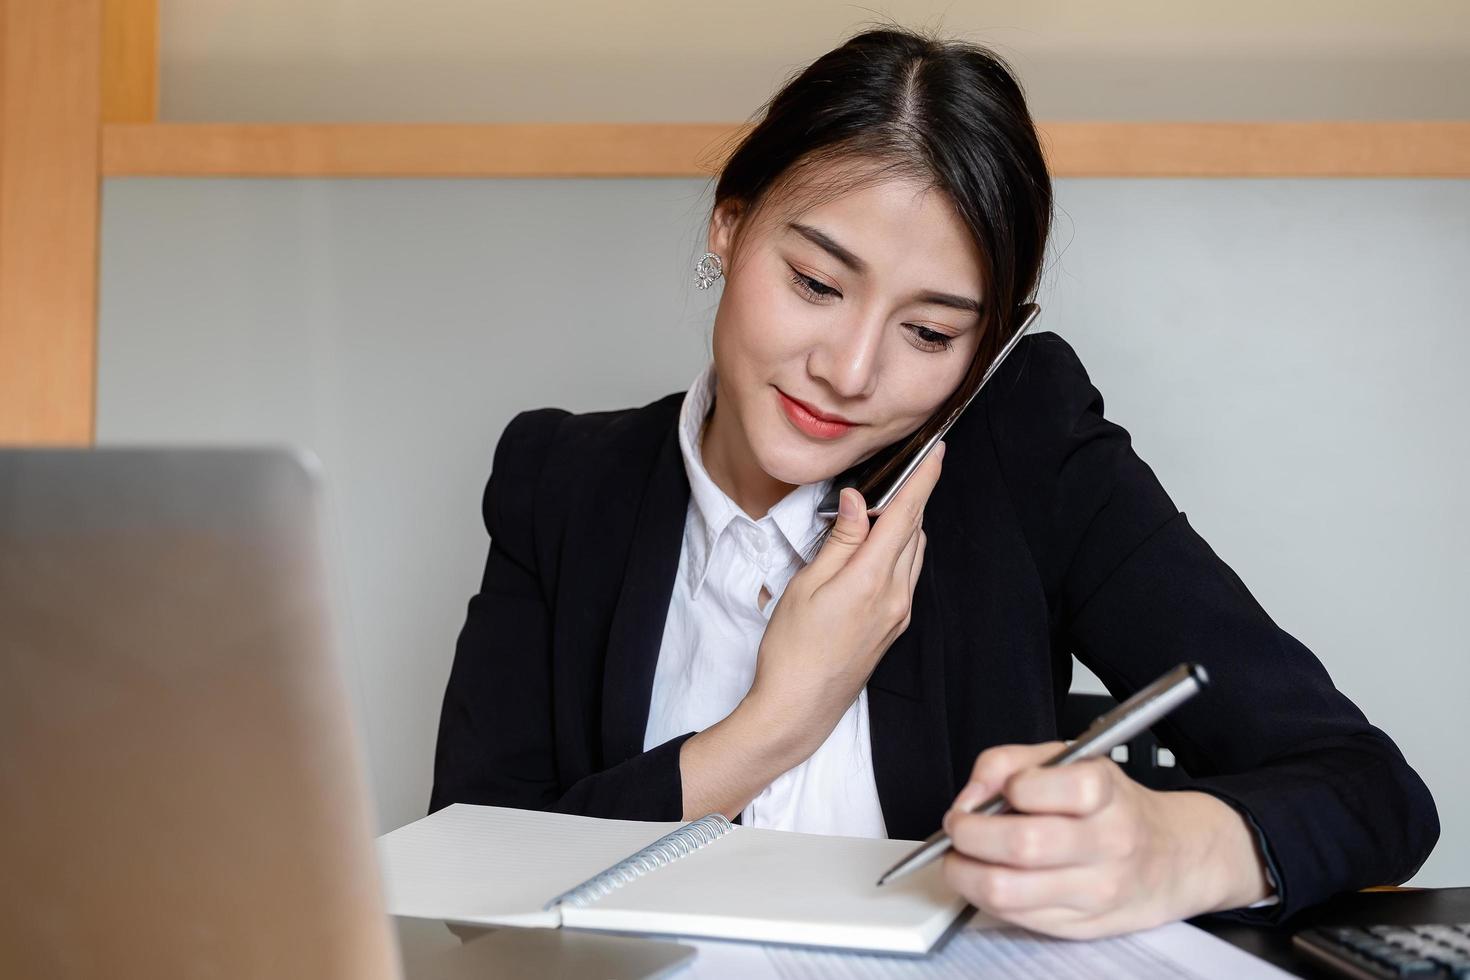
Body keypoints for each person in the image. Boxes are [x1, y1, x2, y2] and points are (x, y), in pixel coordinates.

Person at [429, 25, 1438, 939]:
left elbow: (1373, 790)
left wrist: (1169, 847)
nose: (852, 371)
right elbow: (462, 883)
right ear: (730, 227)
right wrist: (770, 727)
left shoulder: (1025, 457)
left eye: (931, 332)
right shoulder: (558, 479)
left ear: (989, 345)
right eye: (818, 283)